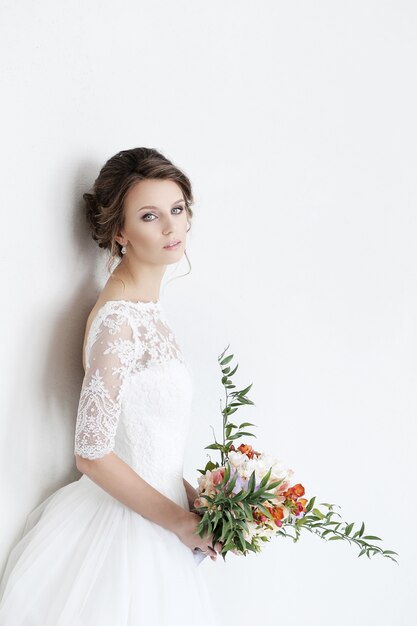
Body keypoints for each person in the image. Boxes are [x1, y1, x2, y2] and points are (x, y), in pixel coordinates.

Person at [0, 147, 223, 625]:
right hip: (123, 534)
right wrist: (181, 522)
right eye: (150, 216)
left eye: (177, 209)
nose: (171, 227)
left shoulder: (146, 309)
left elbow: (141, 440)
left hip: (158, 517)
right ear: (120, 232)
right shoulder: (119, 319)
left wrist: (191, 496)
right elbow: (92, 452)